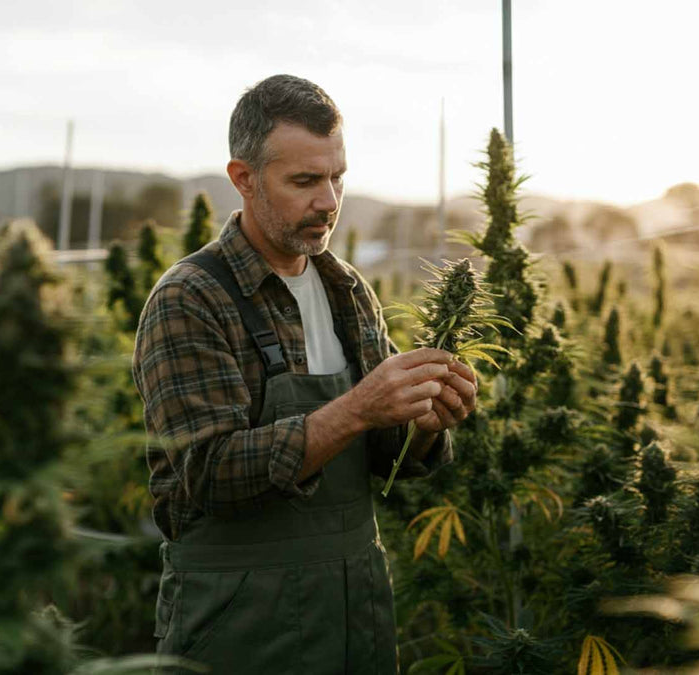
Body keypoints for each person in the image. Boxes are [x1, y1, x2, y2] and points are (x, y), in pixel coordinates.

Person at [131, 74, 477, 675]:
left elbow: (384, 460)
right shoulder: (191, 299)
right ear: (243, 178)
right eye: (305, 181)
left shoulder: (347, 290)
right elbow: (207, 475)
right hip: (238, 624)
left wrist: (425, 422)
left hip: (354, 613)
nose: (329, 201)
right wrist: (359, 407)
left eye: (337, 176)